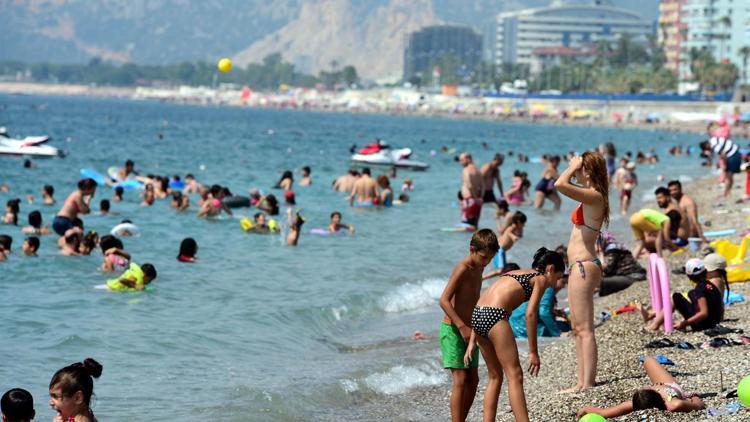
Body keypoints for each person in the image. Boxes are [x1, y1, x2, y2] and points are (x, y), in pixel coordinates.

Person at [464, 248, 566, 422]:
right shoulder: (540, 279)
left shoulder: (513, 273)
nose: (554, 284)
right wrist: (533, 352)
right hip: (495, 316)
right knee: (515, 375)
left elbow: (485, 300)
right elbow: (531, 314)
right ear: (549, 269)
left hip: (477, 315)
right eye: (556, 278)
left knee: (495, 377)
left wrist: (472, 340)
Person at [554, 152, 609, 392]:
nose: (575, 170)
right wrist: (573, 166)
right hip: (580, 266)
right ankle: (581, 381)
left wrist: (573, 166)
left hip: (583, 266)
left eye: (580, 167)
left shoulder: (595, 196)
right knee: (578, 328)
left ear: (588, 170)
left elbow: (559, 184)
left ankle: (587, 383)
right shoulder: (590, 195)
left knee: (584, 329)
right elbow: (567, 185)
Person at [439, 229, 499, 422]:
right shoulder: (463, 268)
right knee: (461, 379)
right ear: (472, 249)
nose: (486, 263)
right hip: (453, 330)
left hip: (471, 332)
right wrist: (461, 327)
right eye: (483, 257)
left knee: (473, 380)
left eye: (489, 259)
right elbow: (444, 301)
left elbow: (474, 297)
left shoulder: (479, 268)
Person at [578, 357, 704, 419]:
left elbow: (603, 412)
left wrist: (583, 411)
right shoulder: (673, 404)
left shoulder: (634, 405)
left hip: (666, 389)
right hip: (668, 386)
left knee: (647, 361)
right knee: (648, 360)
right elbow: (697, 405)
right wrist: (694, 396)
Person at [483, 211, 526, 277]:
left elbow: (520, 235)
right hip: (500, 250)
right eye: (523, 223)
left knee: (503, 271)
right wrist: (513, 237)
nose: (524, 225)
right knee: (500, 271)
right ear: (519, 222)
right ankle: (482, 278)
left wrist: (520, 228)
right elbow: (509, 232)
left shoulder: (517, 228)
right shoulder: (511, 227)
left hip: (501, 251)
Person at [458, 153, 484, 228]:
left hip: (469, 200)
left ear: (468, 159)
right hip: (478, 201)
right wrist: (480, 198)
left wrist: (475, 198)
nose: (460, 162)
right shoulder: (478, 170)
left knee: (466, 227)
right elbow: (483, 185)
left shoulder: (466, 170)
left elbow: (469, 185)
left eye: (462, 160)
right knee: (474, 226)